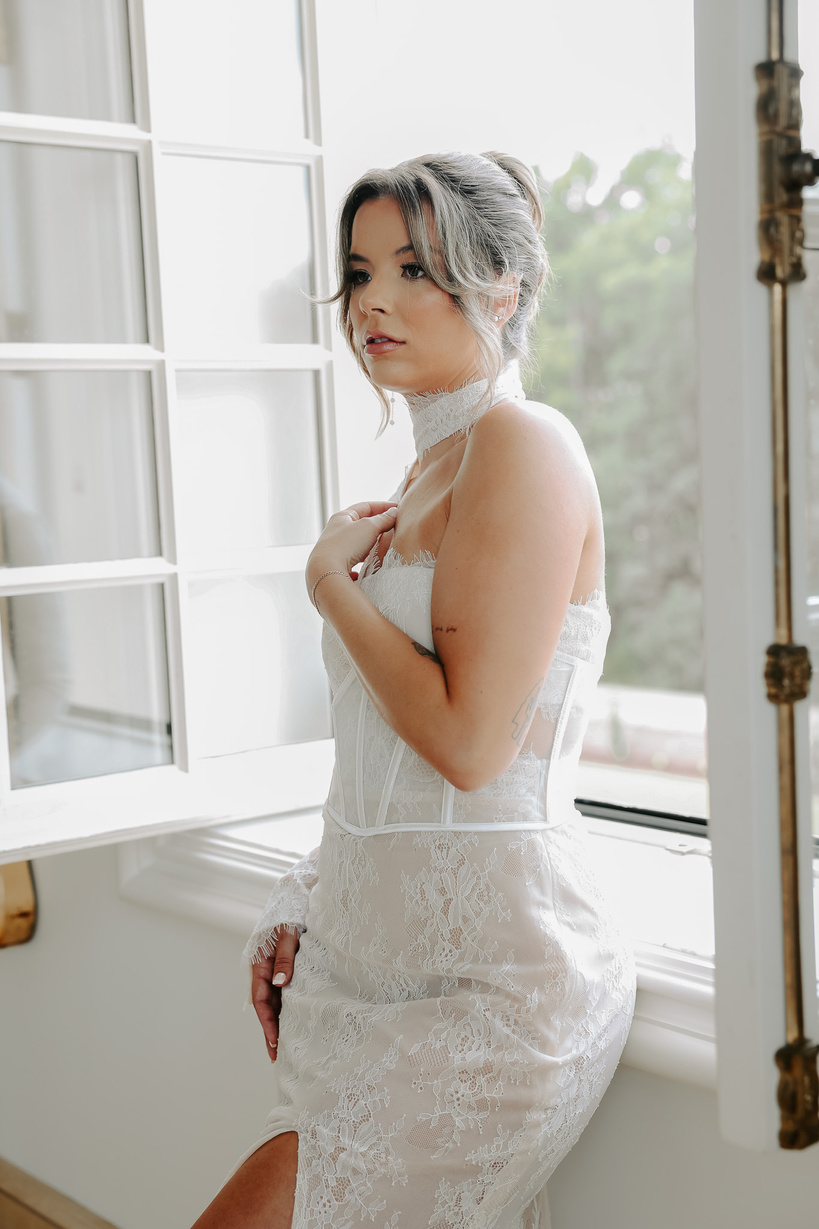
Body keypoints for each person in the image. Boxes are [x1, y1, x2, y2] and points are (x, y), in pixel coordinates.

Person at [192, 151, 636, 1229]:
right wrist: (308, 891)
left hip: (491, 990)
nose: (374, 301)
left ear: (505, 289)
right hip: (360, 975)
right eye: (358, 273)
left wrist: (325, 585)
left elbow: (474, 743)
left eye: (415, 270)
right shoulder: (421, 475)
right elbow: (384, 757)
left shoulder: (526, 446)